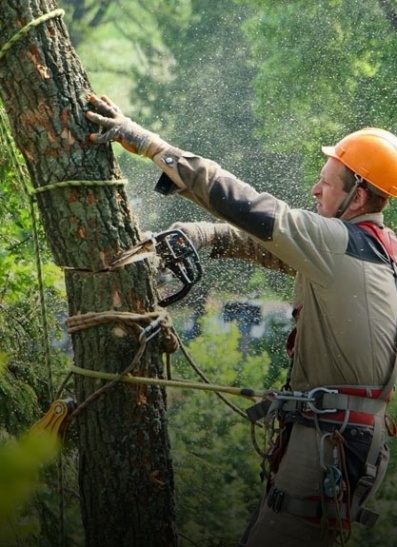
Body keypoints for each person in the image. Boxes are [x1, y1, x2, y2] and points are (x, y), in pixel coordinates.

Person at [86, 94, 397, 547]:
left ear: (359, 194)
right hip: (342, 438)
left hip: (328, 442)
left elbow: (247, 205)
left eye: (327, 183)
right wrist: (204, 234)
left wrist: (150, 144)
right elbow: (265, 243)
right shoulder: (378, 251)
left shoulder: (337, 244)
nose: (314, 189)